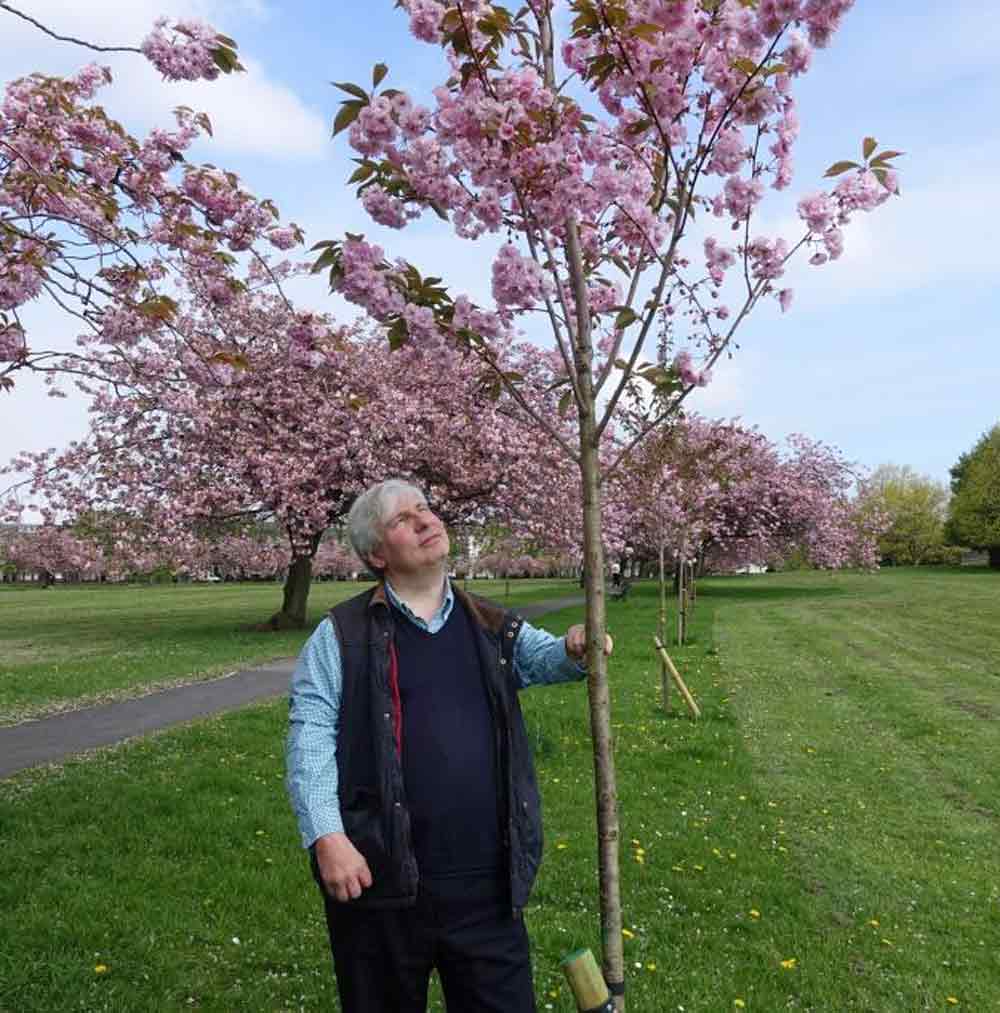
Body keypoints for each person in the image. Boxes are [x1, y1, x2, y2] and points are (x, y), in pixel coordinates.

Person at [285, 479, 612, 1013]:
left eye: (426, 509)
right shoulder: (341, 634)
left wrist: (578, 647)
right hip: (379, 881)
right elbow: (310, 735)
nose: (424, 520)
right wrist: (327, 836)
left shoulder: (489, 623)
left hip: (487, 884)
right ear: (376, 554)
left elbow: (545, 659)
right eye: (402, 520)